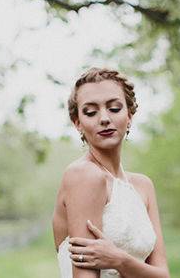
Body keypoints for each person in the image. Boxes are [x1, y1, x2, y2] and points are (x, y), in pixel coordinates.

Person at [52, 67, 170, 278]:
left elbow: (163, 275)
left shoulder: (143, 186)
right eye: (90, 112)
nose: (104, 118)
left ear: (130, 116)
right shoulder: (83, 176)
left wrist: (119, 260)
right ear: (77, 123)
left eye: (114, 108)